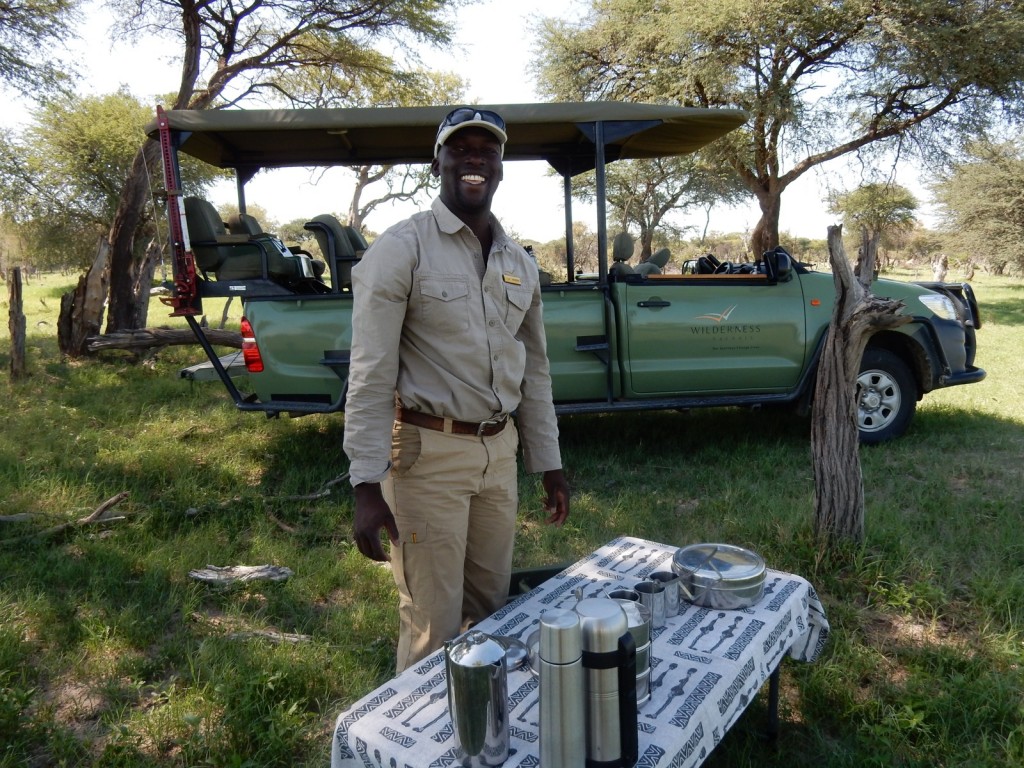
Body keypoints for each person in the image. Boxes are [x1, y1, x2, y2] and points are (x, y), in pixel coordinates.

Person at [343, 107, 571, 672]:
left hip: (499, 453)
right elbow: (371, 373)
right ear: (438, 162)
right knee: (432, 622)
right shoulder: (402, 249)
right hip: (427, 458)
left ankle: (479, 739)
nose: (474, 160)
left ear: (500, 168)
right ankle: (417, 751)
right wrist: (366, 484)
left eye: (487, 151)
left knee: (491, 610)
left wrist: (549, 462)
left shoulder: (519, 261)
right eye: (460, 149)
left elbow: (535, 370)